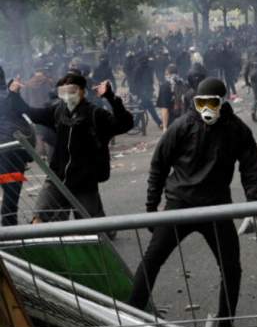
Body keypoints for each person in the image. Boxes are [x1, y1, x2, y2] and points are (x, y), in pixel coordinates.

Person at [129, 78, 257, 325]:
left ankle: (225, 324)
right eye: (200, 102)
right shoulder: (182, 126)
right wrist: (151, 207)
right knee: (152, 261)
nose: (206, 109)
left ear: (223, 102)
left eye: (212, 102)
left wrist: (253, 207)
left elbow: (252, 169)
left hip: (216, 207)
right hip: (179, 205)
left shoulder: (236, 129)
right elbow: (159, 165)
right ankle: (131, 318)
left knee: (231, 268)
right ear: (194, 102)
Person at [8, 73, 133, 225]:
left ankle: (107, 232)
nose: (68, 95)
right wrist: (14, 94)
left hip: (84, 182)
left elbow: (125, 123)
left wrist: (110, 97)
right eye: (63, 91)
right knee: (39, 217)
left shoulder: (95, 114)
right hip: (57, 178)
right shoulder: (57, 111)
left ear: (82, 91)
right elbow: (31, 113)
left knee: (91, 226)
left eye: (72, 90)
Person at [0, 67, 35, 226]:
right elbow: (23, 116)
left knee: (10, 189)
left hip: (9, 150)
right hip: (11, 152)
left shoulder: (8, 94)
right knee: (11, 191)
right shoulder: (9, 95)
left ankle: (9, 225)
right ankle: (9, 226)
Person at [156, 64, 188, 129]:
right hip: (185, 120)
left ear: (167, 73)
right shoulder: (184, 84)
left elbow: (165, 109)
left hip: (172, 122)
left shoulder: (165, 86)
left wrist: (164, 127)